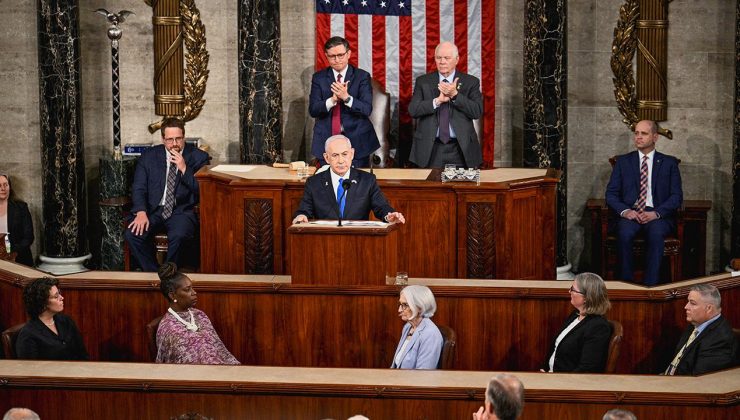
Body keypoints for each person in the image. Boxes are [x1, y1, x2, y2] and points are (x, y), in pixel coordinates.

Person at [125, 118, 210, 271]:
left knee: (179, 235)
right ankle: (154, 274)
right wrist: (141, 212)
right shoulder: (149, 156)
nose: (175, 143)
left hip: (181, 211)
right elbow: (138, 187)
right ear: (163, 139)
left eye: (178, 138)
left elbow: (202, 190)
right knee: (133, 234)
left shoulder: (198, 157)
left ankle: (170, 274)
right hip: (154, 210)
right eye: (170, 139)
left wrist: (184, 168)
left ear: (184, 137)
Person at [605, 120, 683, 286]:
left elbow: (676, 196)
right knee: (624, 233)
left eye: (644, 133)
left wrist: (656, 213)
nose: (638, 137)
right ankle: (626, 283)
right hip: (630, 213)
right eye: (636, 133)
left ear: (655, 137)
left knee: (656, 234)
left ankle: (651, 285)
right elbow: (611, 194)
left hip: (657, 215)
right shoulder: (623, 162)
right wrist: (626, 211)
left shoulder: (669, 163)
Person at [292, 135, 405, 224]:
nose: (341, 160)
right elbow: (304, 210)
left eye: (345, 154)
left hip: (358, 241)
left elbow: (381, 206)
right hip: (326, 242)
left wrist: (389, 215)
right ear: (327, 158)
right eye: (335, 155)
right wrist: (301, 217)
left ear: (352, 154)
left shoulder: (367, 180)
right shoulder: (314, 183)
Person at [408, 41, 483, 169]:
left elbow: (477, 111)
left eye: (447, 58)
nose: (442, 61)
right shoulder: (423, 81)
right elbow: (413, 110)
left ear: (457, 59)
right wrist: (437, 101)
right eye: (438, 58)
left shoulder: (471, 82)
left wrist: (455, 95)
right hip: (429, 149)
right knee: (429, 189)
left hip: (461, 149)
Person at [309, 36, 379, 168]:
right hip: (326, 140)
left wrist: (346, 97)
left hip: (358, 141)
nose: (337, 60)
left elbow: (366, 109)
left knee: (357, 184)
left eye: (340, 55)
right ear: (326, 56)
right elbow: (313, 110)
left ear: (348, 54)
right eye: (332, 56)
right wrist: (332, 100)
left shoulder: (361, 76)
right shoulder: (319, 78)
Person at [155, 262, 239, 365]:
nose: (194, 292)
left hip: (220, 369)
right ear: (172, 296)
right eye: (187, 290)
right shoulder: (168, 327)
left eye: (192, 288)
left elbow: (219, 349)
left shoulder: (199, 315)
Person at [541, 272, 612, 373]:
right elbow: (556, 349)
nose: (569, 291)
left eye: (573, 289)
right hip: (552, 375)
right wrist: (545, 370)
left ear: (586, 298)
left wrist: (556, 380)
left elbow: (587, 368)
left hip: (567, 383)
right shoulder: (575, 314)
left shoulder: (598, 327)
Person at [663, 283, 735, 375]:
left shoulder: (719, 339)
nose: (686, 307)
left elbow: (699, 380)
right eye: (688, 302)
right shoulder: (695, 323)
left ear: (709, 308)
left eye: (692, 303)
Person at [15, 277, 88, 360]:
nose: (62, 297)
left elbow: (83, 354)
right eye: (56, 296)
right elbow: (30, 370)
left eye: (59, 293)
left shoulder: (66, 321)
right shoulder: (28, 335)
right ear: (42, 303)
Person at [390, 285, 443, 369]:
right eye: (400, 304)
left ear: (420, 307)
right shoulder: (408, 327)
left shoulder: (430, 335)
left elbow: (423, 376)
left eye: (405, 305)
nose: (399, 310)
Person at [0, 173, 34, 266]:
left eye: (5, 185)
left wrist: (12, 253)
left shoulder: (21, 207)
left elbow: (29, 237)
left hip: (19, 259)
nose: (3, 188)